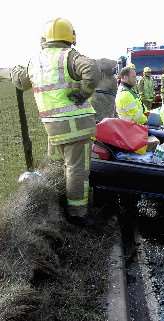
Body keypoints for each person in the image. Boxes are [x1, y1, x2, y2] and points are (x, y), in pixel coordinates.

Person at [10, 17, 99, 225]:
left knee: (62, 167)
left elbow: (20, 82)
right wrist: (83, 94)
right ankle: (78, 214)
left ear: (45, 38)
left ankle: (59, 205)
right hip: (77, 126)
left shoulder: (35, 61)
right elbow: (92, 71)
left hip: (53, 128)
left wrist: (14, 69)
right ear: (70, 37)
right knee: (77, 170)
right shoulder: (69, 55)